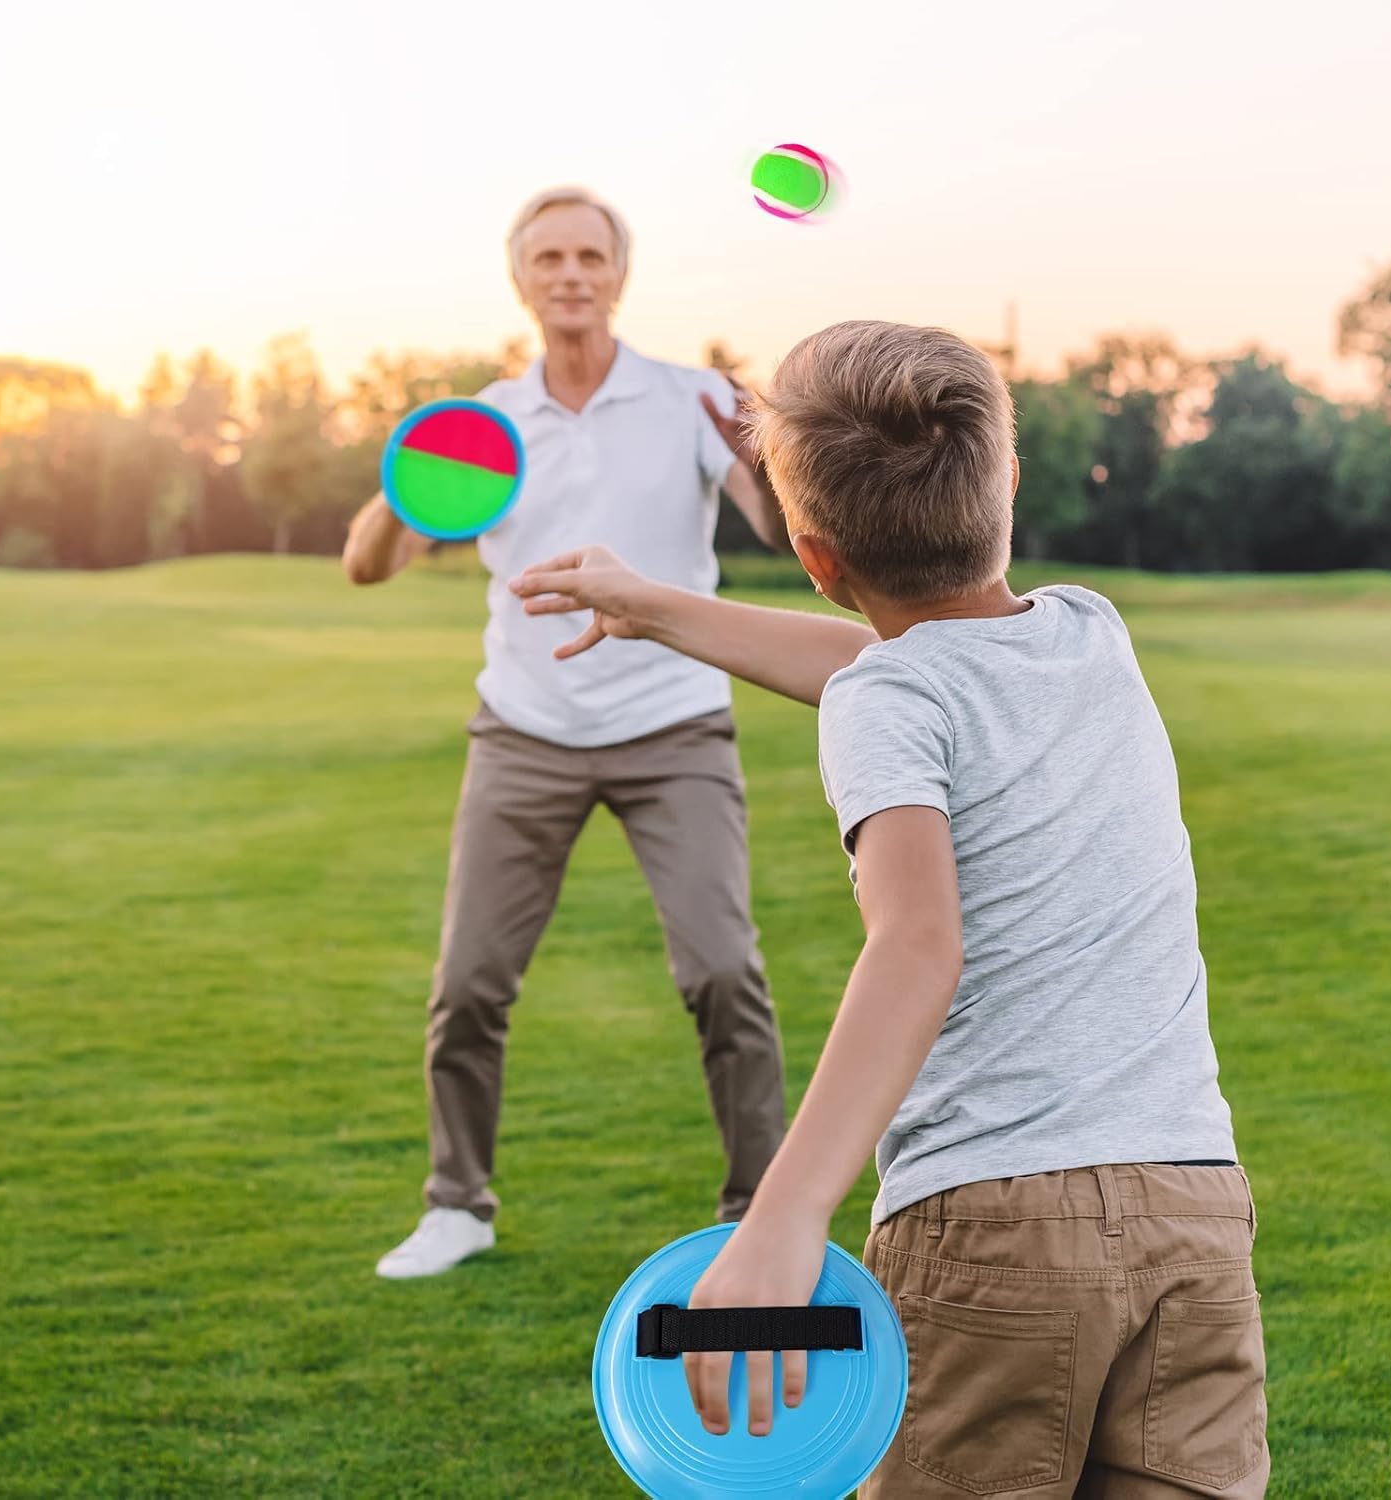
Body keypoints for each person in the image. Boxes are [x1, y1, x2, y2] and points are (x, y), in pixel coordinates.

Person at [511, 320, 1268, 1497]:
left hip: (995, 1229)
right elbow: (884, 669)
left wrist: (782, 1216)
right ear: (1007, 484)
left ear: (815, 558)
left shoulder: (889, 699)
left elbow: (917, 944)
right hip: (1196, 1211)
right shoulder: (1090, 634)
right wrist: (653, 606)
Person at [344, 187, 791, 1280]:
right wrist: (408, 480)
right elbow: (367, 563)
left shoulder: (693, 399)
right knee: (469, 985)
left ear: (619, 274)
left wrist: (771, 454)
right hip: (525, 730)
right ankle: (458, 1205)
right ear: (522, 280)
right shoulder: (487, 423)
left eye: (591, 255)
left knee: (723, 971)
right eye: (549, 258)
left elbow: (786, 532)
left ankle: (761, 1215)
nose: (572, 274)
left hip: (674, 723)